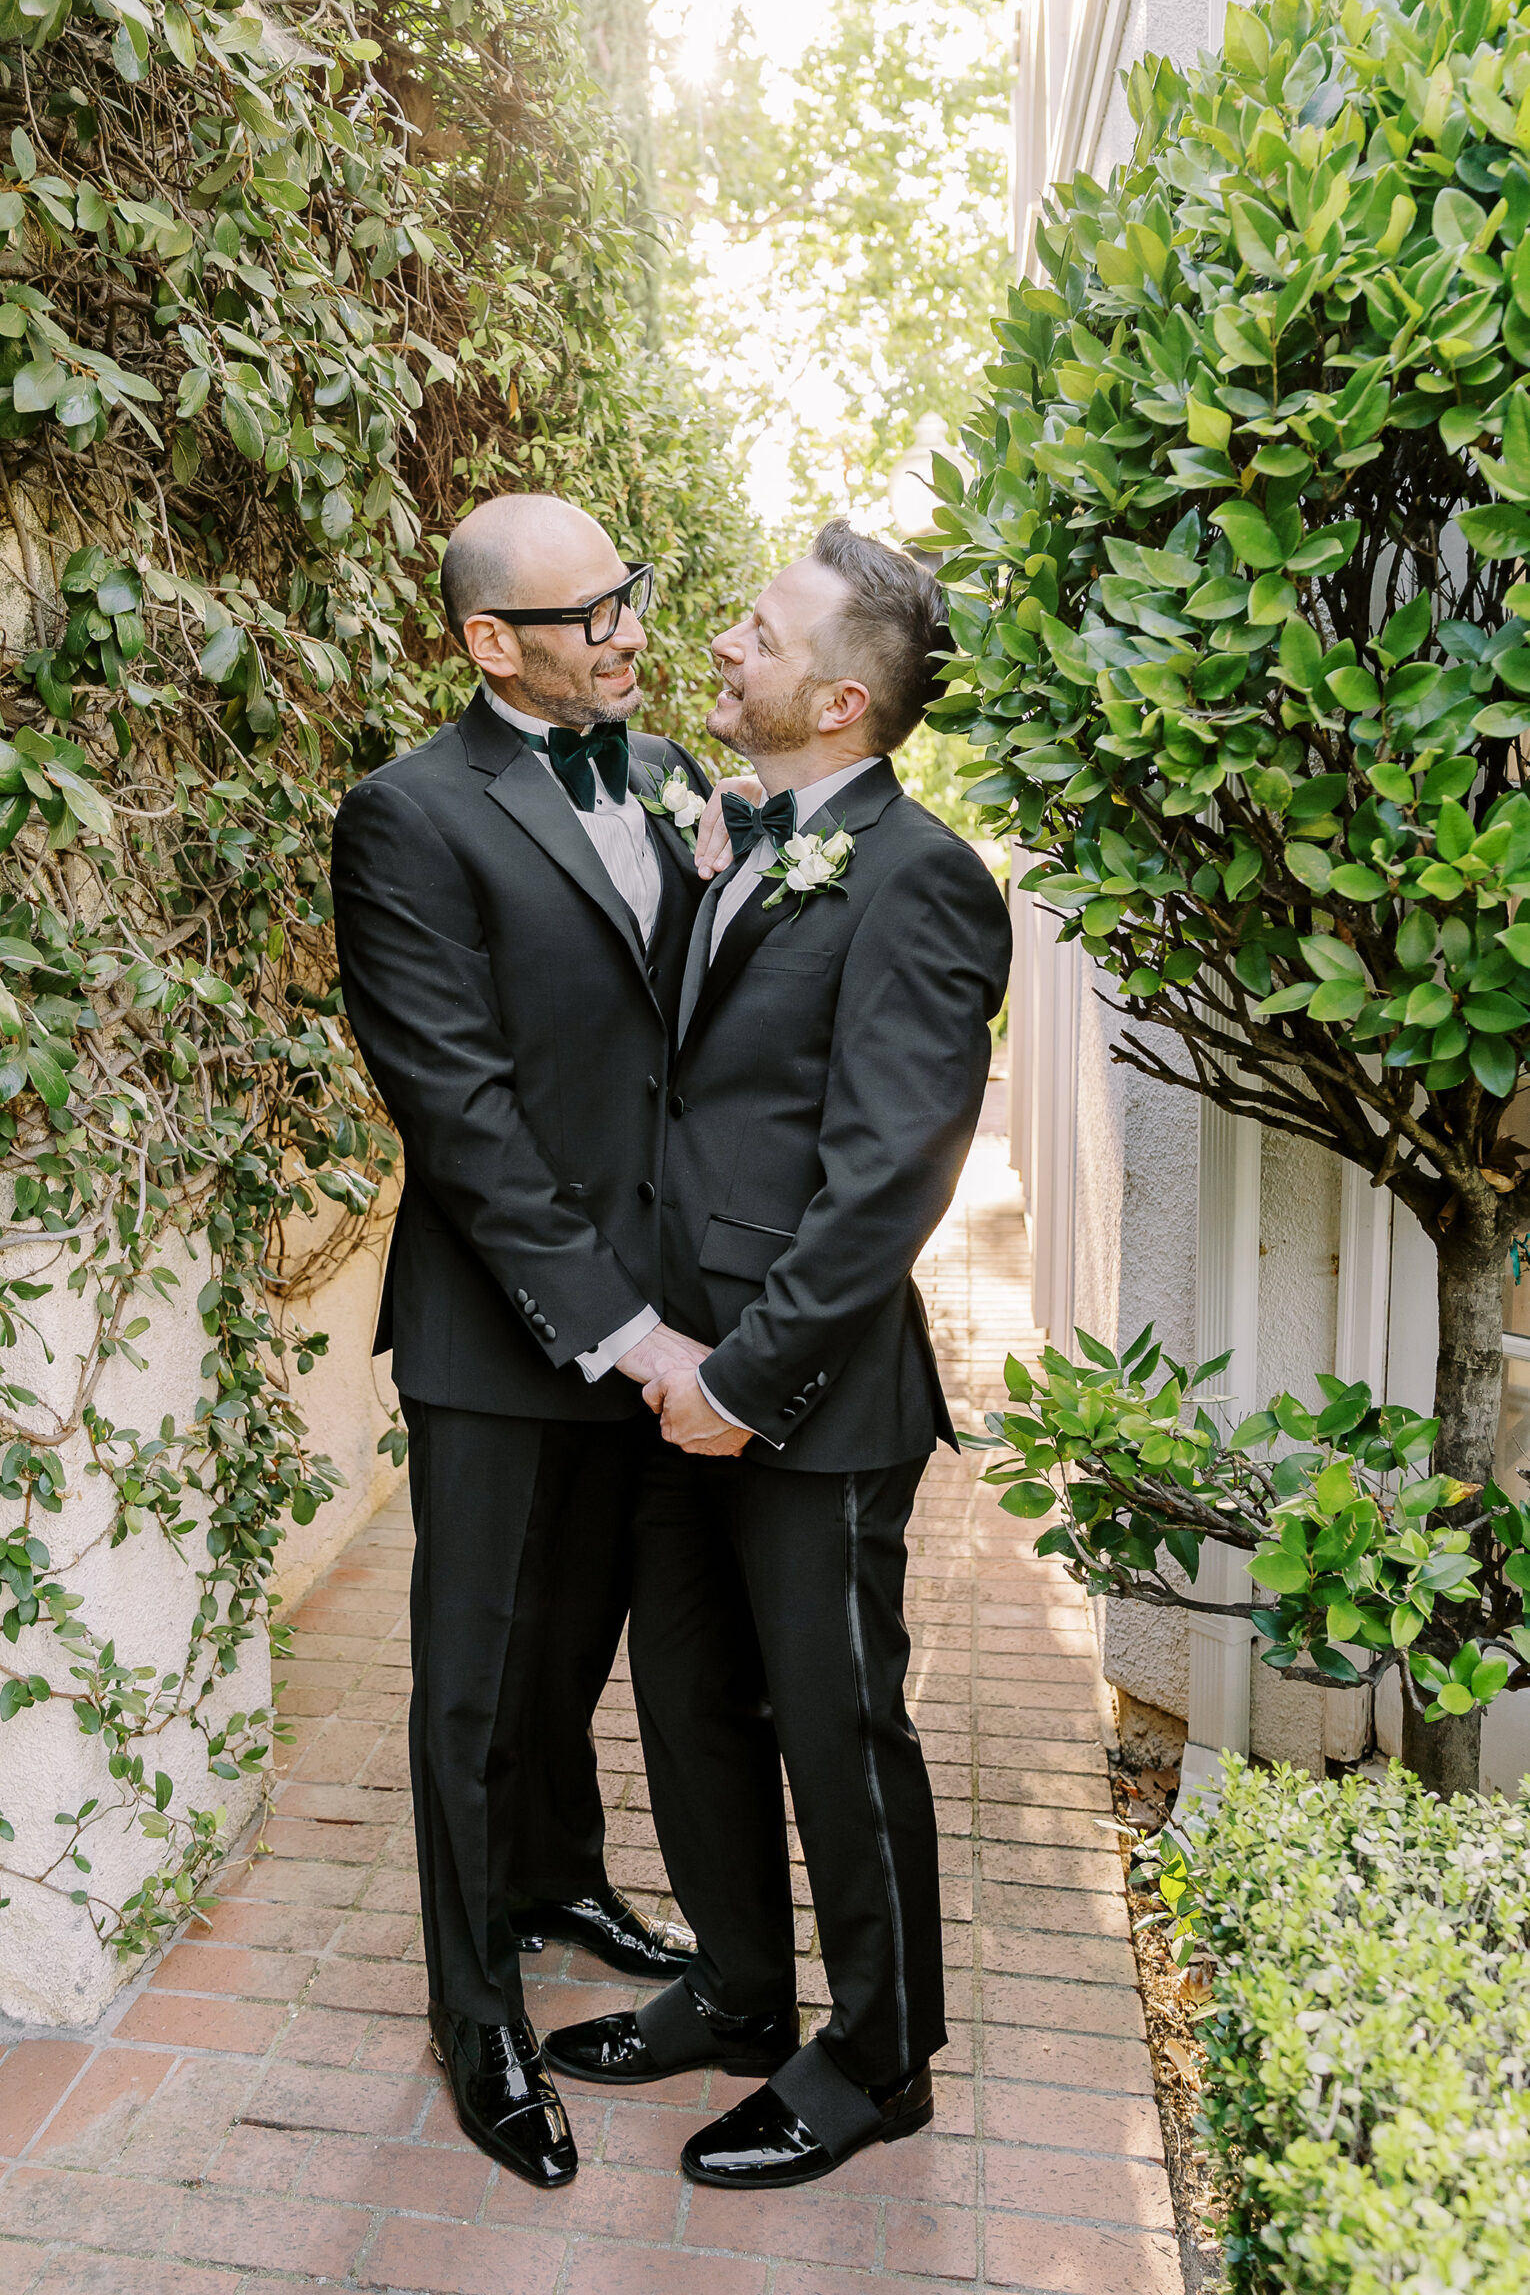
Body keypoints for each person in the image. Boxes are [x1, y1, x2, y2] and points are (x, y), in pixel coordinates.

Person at [544, 519, 1012, 2188]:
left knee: (840, 1731)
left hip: (801, 1402)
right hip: (666, 1376)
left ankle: (880, 2058)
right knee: (684, 1703)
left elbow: (890, 1175)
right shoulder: (736, 834)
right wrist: (662, 1362)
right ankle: (741, 1995)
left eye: (754, 630)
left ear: (838, 701)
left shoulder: (918, 877)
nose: (718, 646)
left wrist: (744, 1382)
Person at [331, 493, 723, 2189]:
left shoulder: (665, 773)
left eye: (636, 594)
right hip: (505, 1334)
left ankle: (560, 1872)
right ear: (495, 643)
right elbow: (462, 1114)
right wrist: (622, 1332)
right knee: (472, 1676)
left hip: (669, 1319)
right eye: (597, 613)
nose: (633, 630)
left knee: (583, 1639)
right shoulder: (406, 817)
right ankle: (474, 2004)